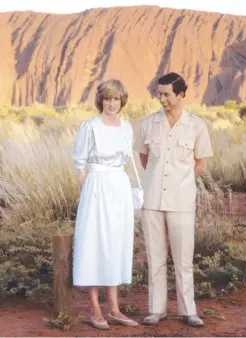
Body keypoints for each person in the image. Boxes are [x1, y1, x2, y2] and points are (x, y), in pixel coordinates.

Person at [134, 72, 213, 327]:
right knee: (155, 257)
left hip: (182, 200)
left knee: (183, 258)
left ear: (180, 94)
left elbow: (201, 163)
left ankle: (188, 310)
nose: (162, 99)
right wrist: (157, 179)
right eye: (159, 94)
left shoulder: (197, 126)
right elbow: (144, 158)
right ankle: (156, 310)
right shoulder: (148, 124)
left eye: (167, 94)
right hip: (152, 199)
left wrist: (182, 181)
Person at [72, 78, 139, 330]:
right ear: (101, 99)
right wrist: (87, 193)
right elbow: (79, 165)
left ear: (123, 100)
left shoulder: (127, 126)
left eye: (117, 98)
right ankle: (95, 309)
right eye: (108, 98)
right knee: (94, 242)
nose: (112, 103)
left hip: (119, 186)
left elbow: (127, 160)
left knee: (116, 243)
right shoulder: (90, 126)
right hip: (97, 186)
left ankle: (115, 309)